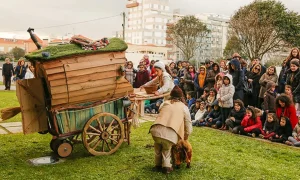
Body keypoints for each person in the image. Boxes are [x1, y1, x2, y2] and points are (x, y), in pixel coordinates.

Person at [149, 85, 192, 174]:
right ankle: (166, 167)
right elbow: (188, 122)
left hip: (156, 129)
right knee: (166, 149)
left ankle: (157, 165)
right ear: (181, 97)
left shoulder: (164, 103)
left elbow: (161, 111)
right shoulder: (184, 107)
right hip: (170, 133)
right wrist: (187, 134)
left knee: (158, 147)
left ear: (171, 95)